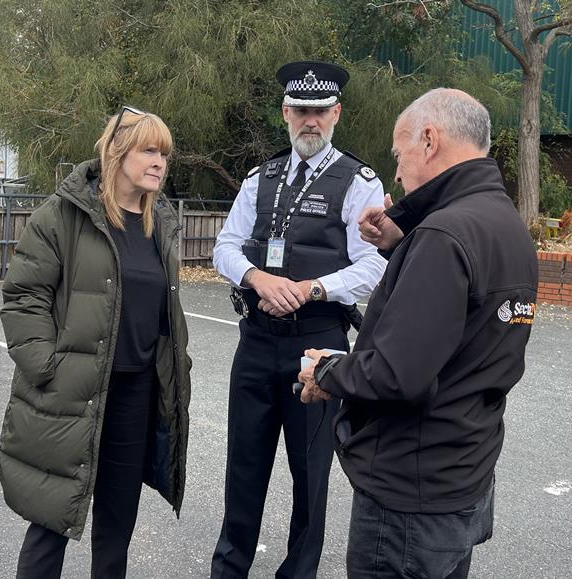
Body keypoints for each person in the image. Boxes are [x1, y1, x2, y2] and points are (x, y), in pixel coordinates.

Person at [298, 88, 538, 578]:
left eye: (399, 153)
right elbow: (460, 336)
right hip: (464, 473)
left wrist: (328, 369)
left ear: (429, 140)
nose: (397, 173)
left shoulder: (444, 237)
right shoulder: (505, 224)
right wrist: (402, 238)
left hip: (411, 493)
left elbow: (396, 374)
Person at [0, 107, 192, 578]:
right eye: (149, 150)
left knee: (117, 523)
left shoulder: (159, 224)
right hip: (72, 390)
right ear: (116, 152)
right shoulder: (63, 214)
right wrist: (46, 366)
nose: (159, 162)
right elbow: (23, 297)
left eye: (164, 153)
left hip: (135, 396)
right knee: (53, 518)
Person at [211, 60, 387, 579]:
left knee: (310, 473)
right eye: (300, 111)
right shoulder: (259, 178)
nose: (309, 121)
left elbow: (375, 263)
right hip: (257, 341)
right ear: (285, 113)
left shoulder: (359, 182)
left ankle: (299, 572)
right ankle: (229, 567)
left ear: (336, 114)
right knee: (243, 465)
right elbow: (224, 247)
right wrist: (257, 279)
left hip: (318, 345)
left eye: (320, 112)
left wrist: (311, 289)